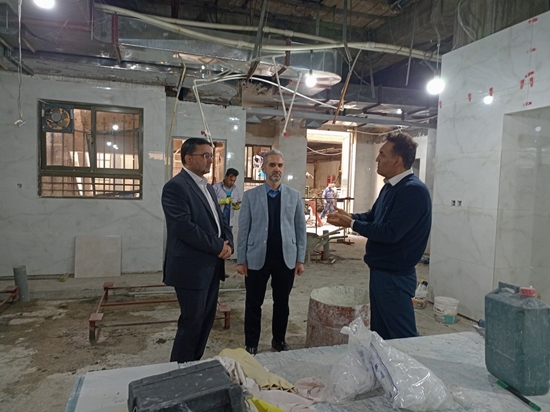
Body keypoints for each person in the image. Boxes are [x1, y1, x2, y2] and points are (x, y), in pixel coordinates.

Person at [327, 132, 431, 340]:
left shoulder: (413, 191)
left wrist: (352, 224)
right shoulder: (391, 187)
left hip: (395, 277)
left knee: (403, 337)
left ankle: (409, 363)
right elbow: (373, 217)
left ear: (397, 160)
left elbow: (390, 233)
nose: (377, 159)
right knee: (380, 333)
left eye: (382, 154)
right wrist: (350, 216)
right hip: (381, 272)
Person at [161, 137, 233, 363]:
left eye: (212, 155)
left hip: (211, 265)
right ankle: (179, 369)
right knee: (192, 321)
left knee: (205, 321)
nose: (210, 160)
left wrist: (228, 243)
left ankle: (194, 363)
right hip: (190, 267)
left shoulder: (208, 187)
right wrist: (218, 246)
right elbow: (184, 228)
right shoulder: (176, 187)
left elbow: (220, 221)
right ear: (188, 158)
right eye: (205, 155)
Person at [236, 149, 307, 355]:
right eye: (272, 165)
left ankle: (279, 340)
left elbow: (300, 229)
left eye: (280, 165)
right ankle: (251, 343)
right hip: (257, 257)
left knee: (282, 303)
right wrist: (241, 259)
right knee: (253, 303)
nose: (277, 169)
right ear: (264, 168)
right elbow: (244, 229)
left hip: (286, 258)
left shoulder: (294, 196)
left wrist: (300, 259)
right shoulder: (251, 196)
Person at [213, 168, 242, 233]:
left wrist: (237, 206)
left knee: (228, 237)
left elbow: (238, 200)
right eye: (230, 180)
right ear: (226, 177)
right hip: (217, 219)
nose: (232, 182)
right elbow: (210, 200)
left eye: (234, 181)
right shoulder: (216, 188)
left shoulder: (235, 189)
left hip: (229, 221)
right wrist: (221, 201)